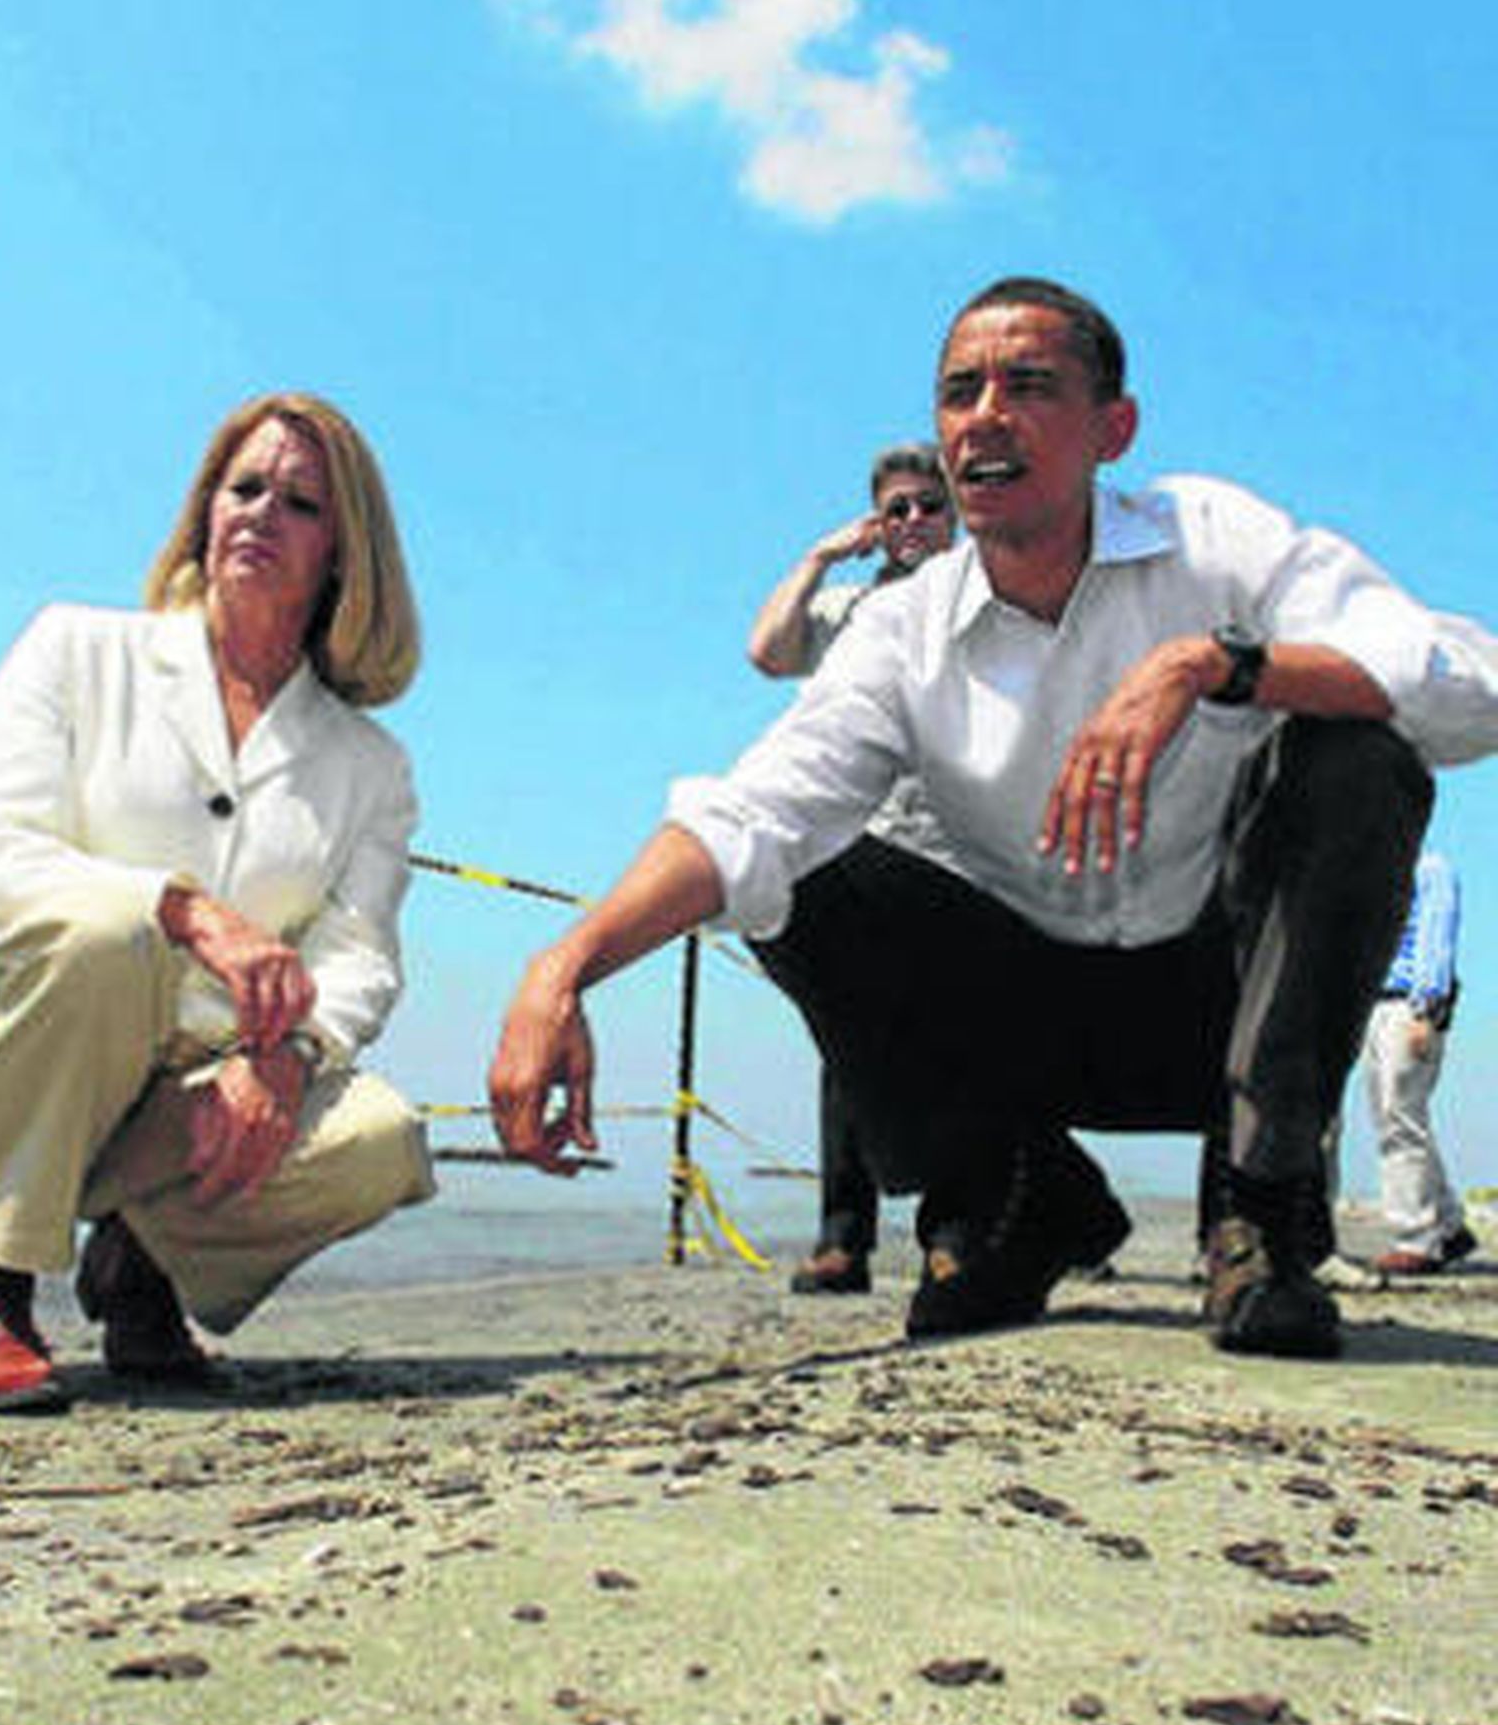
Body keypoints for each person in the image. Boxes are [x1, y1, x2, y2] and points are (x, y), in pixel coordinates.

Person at [489, 277, 1498, 1362]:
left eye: (1028, 386)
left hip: (1226, 1014)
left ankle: (1258, 1207)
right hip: (1024, 1019)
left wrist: (1220, 665)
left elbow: (1464, 681)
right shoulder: (900, 633)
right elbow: (756, 811)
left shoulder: (1213, 542)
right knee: (807, 876)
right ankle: (1019, 1196)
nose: (984, 417)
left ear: (1114, 429)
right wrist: (566, 965)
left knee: (1360, 749)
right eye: (959, 392)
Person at [0, 393, 435, 1413]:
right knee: (106, 929)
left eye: (302, 503)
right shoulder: (73, 648)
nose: (261, 514)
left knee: (379, 1142)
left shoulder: (374, 767)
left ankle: (140, 1267)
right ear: (203, 512)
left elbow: (360, 952)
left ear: (345, 552)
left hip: (189, 1094)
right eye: (244, 488)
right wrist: (183, 910)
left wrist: (285, 1054)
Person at [748, 443, 956, 1295]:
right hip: (855, 847)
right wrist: (823, 554)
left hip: (956, 849)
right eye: (897, 509)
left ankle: (954, 1231)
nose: (913, 523)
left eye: (928, 506)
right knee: (847, 1035)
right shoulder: (846, 608)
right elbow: (767, 651)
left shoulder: (989, 596)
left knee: (954, 1040)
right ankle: (844, 1235)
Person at [1362, 848, 1477, 1276]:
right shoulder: (1382, 868)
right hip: (1377, 1003)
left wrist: (1427, 1010)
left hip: (1407, 1008)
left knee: (1400, 1119)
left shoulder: (1431, 867)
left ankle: (1416, 1239)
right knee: (1398, 1118)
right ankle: (1448, 1225)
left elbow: (1436, 938)